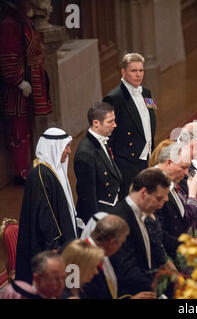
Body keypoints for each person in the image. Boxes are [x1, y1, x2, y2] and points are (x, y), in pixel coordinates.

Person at [15, 127, 81, 284]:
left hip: (64, 241)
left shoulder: (53, 170)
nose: (69, 151)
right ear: (55, 147)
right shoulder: (40, 174)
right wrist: (54, 246)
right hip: (52, 248)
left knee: (72, 284)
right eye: (66, 146)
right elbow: (45, 215)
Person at [0, 0, 52, 183]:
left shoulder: (25, 22)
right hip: (19, 89)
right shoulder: (9, 25)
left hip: (34, 80)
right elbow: (8, 56)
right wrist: (19, 81)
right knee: (19, 132)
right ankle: (21, 172)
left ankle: (32, 167)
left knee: (30, 129)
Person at [109, 168, 176, 296]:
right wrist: (157, 285)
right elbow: (125, 267)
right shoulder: (120, 219)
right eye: (158, 198)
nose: (161, 205)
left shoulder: (144, 213)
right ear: (144, 192)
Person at [103, 53, 156, 200]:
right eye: (134, 71)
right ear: (123, 72)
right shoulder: (114, 98)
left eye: (141, 70)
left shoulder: (146, 92)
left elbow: (150, 120)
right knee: (133, 201)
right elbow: (109, 134)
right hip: (127, 162)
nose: (138, 75)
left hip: (147, 157)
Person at [79, 213, 156, 299]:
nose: (121, 248)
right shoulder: (82, 258)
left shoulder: (97, 256)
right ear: (112, 243)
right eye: (121, 243)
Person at [74, 102, 123, 223]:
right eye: (110, 121)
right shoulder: (85, 153)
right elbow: (87, 195)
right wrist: (97, 222)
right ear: (96, 123)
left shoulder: (102, 139)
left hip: (112, 206)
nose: (115, 125)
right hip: (101, 214)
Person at [155, 143, 197, 262]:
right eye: (183, 167)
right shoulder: (154, 184)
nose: (186, 172)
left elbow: (183, 221)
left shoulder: (172, 183)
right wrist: (187, 244)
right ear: (168, 163)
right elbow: (159, 233)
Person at [0, 250, 66, 299]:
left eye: (63, 278)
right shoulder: (15, 293)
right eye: (56, 279)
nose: (61, 284)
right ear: (37, 278)